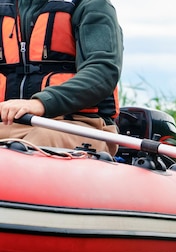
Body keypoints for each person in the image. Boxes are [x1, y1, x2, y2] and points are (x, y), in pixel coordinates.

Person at [0, 0, 123, 155]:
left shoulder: (91, 5)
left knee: (39, 142)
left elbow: (103, 72)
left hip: (81, 125)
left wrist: (42, 103)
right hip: (10, 124)